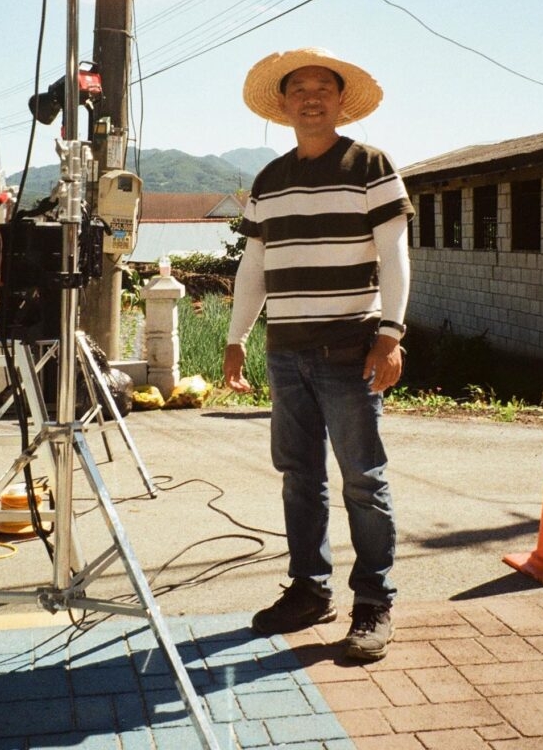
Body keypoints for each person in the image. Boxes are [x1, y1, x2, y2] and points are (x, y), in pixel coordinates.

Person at [223, 47, 413, 663]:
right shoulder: (268, 180)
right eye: (298, 89)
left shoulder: (370, 165)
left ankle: (373, 604)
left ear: (338, 99)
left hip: (348, 350)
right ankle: (309, 591)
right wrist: (235, 337)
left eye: (322, 88)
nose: (310, 97)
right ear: (282, 105)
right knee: (299, 478)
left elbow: (394, 255)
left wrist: (391, 333)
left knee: (363, 478)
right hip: (285, 353)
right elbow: (254, 264)